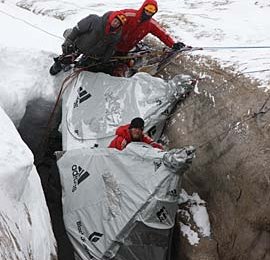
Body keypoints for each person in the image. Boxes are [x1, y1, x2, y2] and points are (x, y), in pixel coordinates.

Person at [49, 10, 127, 75]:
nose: (116, 24)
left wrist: (105, 59)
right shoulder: (94, 20)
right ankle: (55, 68)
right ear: (112, 18)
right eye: (115, 21)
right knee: (65, 60)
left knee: (82, 69)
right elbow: (77, 29)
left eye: (118, 24)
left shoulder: (116, 34)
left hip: (93, 54)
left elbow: (111, 47)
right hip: (80, 45)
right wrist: (69, 40)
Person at [116, 0, 187, 55]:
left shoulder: (151, 24)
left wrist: (173, 44)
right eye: (147, 10)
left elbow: (162, 34)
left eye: (150, 12)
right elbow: (112, 17)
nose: (148, 13)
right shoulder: (128, 15)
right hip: (111, 45)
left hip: (126, 50)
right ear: (143, 8)